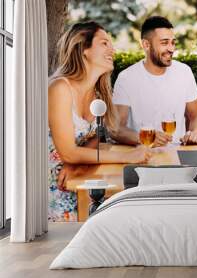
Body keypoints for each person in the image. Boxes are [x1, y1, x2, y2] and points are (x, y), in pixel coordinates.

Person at [48, 22, 151, 222]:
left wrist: (75, 163)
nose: (113, 49)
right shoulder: (60, 88)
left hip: (79, 177)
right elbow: (68, 151)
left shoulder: (98, 94)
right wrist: (128, 156)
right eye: (105, 43)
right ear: (84, 49)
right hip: (54, 189)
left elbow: (96, 138)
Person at [111, 16, 197, 147]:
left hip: (178, 155)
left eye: (173, 42)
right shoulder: (126, 78)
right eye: (164, 43)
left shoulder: (184, 72)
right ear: (146, 45)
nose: (171, 49)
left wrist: (194, 133)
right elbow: (116, 129)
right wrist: (145, 138)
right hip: (141, 154)